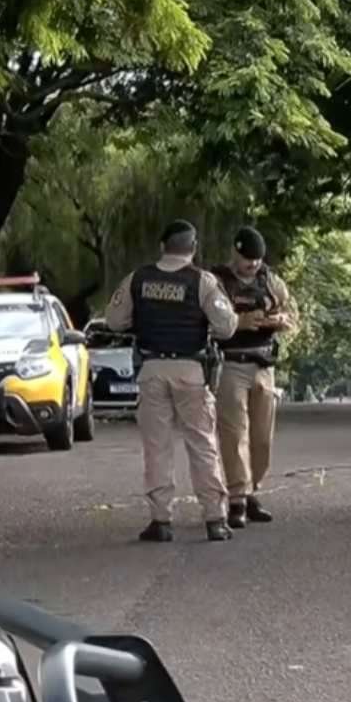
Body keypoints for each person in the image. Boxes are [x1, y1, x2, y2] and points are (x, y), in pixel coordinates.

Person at [104, 220, 240, 542]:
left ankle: (161, 520)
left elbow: (114, 320)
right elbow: (227, 327)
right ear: (193, 249)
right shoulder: (202, 281)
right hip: (191, 371)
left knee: (157, 447)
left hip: (151, 369)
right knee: (202, 444)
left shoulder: (138, 279)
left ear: (162, 246)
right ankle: (215, 518)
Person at [210, 226, 299, 528]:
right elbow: (208, 322)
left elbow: (292, 315)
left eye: (258, 259)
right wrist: (241, 322)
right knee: (234, 435)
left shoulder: (270, 281)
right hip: (231, 364)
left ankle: (252, 491)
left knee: (262, 439)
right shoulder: (217, 281)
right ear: (235, 253)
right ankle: (237, 499)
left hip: (264, 366)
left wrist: (280, 321)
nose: (253, 265)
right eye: (248, 259)